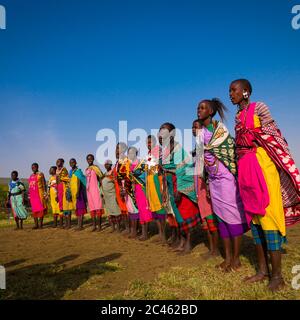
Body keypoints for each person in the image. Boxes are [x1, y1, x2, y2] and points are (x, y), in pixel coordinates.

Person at [230, 79, 300, 291]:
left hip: (263, 167)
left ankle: (277, 276)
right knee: (255, 218)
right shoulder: (237, 116)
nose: (230, 93)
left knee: (268, 214)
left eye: (234, 90)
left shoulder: (258, 107)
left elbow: (274, 136)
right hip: (246, 170)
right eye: (229, 91)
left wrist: (251, 137)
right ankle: (262, 270)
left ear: (246, 92)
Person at [196, 99, 248, 271]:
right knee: (220, 219)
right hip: (213, 180)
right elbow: (201, 162)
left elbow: (229, 150)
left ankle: (236, 259)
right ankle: (227, 258)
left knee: (231, 216)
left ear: (210, 111)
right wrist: (207, 184)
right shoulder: (200, 134)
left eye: (202, 108)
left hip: (226, 177)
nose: (199, 110)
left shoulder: (221, 130)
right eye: (198, 108)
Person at [159, 122, 201, 254]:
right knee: (178, 215)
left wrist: (179, 189)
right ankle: (182, 242)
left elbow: (183, 170)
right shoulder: (165, 152)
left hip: (182, 186)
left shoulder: (178, 150)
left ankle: (188, 243)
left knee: (186, 214)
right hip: (172, 185)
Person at [192, 119, 220, 259]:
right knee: (206, 222)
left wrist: (208, 185)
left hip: (206, 187)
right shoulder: (197, 148)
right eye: (192, 127)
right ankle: (212, 249)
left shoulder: (206, 146)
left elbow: (210, 166)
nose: (193, 129)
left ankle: (215, 250)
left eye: (196, 127)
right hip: (199, 189)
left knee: (211, 220)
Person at [145, 135, 168, 243]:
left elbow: (162, 168)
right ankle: (160, 234)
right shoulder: (148, 154)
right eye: (147, 142)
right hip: (150, 184)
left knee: (161, 210)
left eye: (150, 142)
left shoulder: (159, 152)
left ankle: (164, 235)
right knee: (155, 210)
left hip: (157, 182)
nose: (148, 144)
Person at [128, 146, 153, 240]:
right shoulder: (129, 165)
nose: (131, 155)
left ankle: (145, 234)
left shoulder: (141, 164)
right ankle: (143, 232)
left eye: (133, 153)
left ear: (136, 153)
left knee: (144, 210)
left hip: (142, 189)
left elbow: (146, 176)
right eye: (129, 153)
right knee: (140, 211)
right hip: (135, 191)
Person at [101, 160, 122, 233]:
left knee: (116, 212)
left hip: (113, 195)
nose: (106, 165)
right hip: (106, 197)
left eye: (108, 164)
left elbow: (116, 184)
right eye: (105, 164)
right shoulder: (105, 174)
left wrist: (117, 195)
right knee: (110, 213)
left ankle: (118, 228)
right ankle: (113, 228)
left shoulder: (113, 173)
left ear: (111, 165)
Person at [113, 142, 129, 233]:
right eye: (116, 149)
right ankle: (127, 228)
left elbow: (127, 176)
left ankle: (132, 228)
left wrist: (124, 189)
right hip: (118, 189)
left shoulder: (126, 161)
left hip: (125, 188)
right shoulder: (117, 163)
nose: (116, 151)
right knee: (123, 209)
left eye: (118, 149)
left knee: (128, 209)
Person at [85, 154, 104, 231]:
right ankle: (94, 226)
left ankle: (99, 226)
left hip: (96, 190)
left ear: (93, 159)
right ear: (87, 160)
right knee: (92, 208)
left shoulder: (96, 168)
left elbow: (101, 178)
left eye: (91, 159)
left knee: (98, 207)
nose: (89, 160)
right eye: (88, 159)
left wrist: (101, 190)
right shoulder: (87, 169)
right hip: (89, 191)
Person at [69, 158, 87, 231]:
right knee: (77, 209)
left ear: (76, 163)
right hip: (73, 192)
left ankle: (80, 226)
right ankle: (78, 225)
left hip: (78, 193)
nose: (71, 163)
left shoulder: (78, 171)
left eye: (73, 162)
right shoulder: (71, 172)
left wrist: (78, 192)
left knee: (80, 208)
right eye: (70, 162)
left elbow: (79, 182)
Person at [28, 163, 47, 229]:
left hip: (39, 193)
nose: (33, 168)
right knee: (34, 209)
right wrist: (29, 194)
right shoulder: (31, 175)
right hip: (33, 195)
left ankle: (41, 225)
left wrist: (45, 193)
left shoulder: (40, 174)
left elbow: (44, 183)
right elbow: (30, 186)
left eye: (34, 167)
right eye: (32, 167)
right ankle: (36, 225)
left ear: (37, 167)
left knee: (41, 208)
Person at [56, 158, 73, 229]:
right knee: (62, 206)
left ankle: (68, 224)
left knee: (67, 206)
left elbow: (67, 179)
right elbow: (57, 181)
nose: (57, 162)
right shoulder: (57, 170)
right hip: (59, 188)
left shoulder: (64, 169)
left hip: (64, 188)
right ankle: (64, 224)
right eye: (57, 161)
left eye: (59, 161)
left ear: (62, 162)